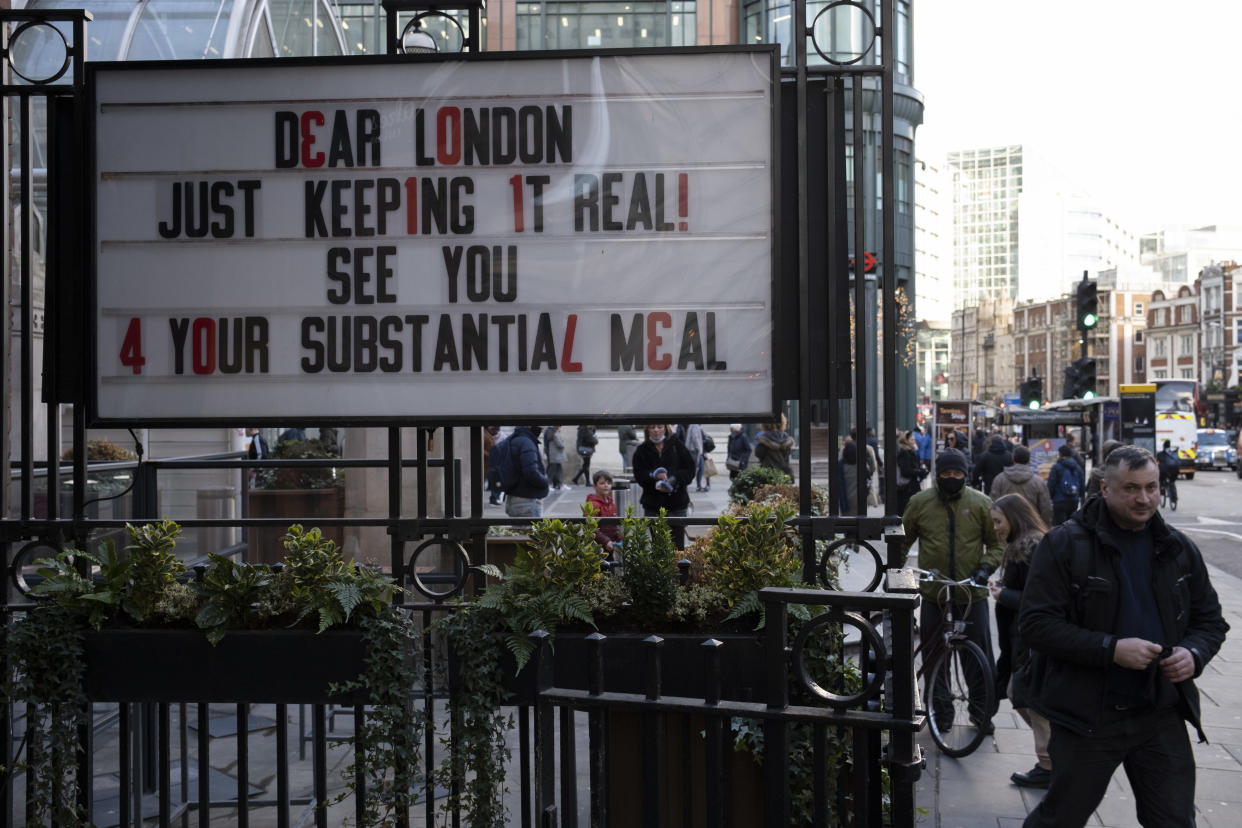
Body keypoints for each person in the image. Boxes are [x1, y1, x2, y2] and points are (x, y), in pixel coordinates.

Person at [1018, 445, 1229, 827]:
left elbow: (1211, 621)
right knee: (1060, 818)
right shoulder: (1065, 545)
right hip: (1088, 716)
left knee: (1174, 820)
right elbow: (1036, 625)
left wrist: (1193, 653)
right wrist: (1111, 649)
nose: (1144, 498)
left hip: (1160, 712)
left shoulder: (1179, 547)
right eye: (1131, 488)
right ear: (1105, 487)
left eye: (1151, 487)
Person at [901, 448, 1002, 732]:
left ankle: (982, 713)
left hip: (972, 594)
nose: (952, 477)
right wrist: (896, 575)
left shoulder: (981, 503)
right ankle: (941, 712)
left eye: (958, 473)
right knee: (935, 659)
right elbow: (902, 541)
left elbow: (997, 544)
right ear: (938, 473)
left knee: (978, 659)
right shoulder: (920, 502)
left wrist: (985, 568)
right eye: (946, 473)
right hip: (935, 594)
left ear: (966, 475)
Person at [988, 493, 1052, 789]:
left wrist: (1005, 595)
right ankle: (1052, 759)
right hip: (1023, 637)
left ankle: (1051, 763)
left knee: (1027, 696)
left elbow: (1039, 598)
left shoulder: (1032, 546)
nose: (996, 528)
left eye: (998, 521)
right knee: (1023, 694)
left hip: (1032, 639)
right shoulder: (1023, 545)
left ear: (1014, 517)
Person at [631, 424, 696, 549]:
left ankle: (678, 569)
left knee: (677, 547)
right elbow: (639, 474)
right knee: (659, 547)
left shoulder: (677, 445)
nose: (656, 430)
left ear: (666, 428)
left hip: (677, 504)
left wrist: (674, 480)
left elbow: (690, 470)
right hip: (653, 506)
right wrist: (654, 478)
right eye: (652, 427)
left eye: (659, 427)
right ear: (647, 429)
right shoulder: (642, 450)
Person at [990, 445, 1053, 526]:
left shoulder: (999, 479)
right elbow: (1046, 508)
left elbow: (993, 503)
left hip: (1006, 526)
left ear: (1013, 459)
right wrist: (1044, 527)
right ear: (1029, 460)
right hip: (1032, 526)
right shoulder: (1039, 482)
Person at [503, 426, 551, 518]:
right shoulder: (527, 442)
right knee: (529, 531)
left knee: (520, 531)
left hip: (514, 498)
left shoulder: (515, 439)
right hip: (527, 500)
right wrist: (545, 482)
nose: (542, 428)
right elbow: (531, 472)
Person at [585, 470, 622, 558]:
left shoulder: (611, 503)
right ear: (594, 486)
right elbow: (591, 528)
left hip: (610, 545)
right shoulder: (592, 504)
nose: (606, 485)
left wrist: (618, 536)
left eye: (608, 483)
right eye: (602, 483)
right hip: (597, 547)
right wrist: (606, 541)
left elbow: (613, 525)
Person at [1046, 444, 1085, 525]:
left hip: (1059, 501)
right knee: (1071, 526)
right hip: (1074, 501)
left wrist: (1051, 497)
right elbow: (1082, 485)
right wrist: (1078, 496)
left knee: (1060, 527)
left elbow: (1051, 485)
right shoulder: (1077, 467)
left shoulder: (1056, 467)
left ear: (1060, 454)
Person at [893, 430, 924, 517]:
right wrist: (919, 472)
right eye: (911, 440)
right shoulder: (904, 452)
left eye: (914, 439)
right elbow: (906, 471)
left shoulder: (910, 451)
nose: (914, 441)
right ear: (906, 440)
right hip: (907, 488)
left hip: (910, 486)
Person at [838, 440, 867, 514]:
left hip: (846, 499)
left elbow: (840, 485)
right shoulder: (861, 463)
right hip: (859, 498)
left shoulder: (841, 465)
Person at [483, 425, 505, 505]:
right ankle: (494, 497)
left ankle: (494, 497)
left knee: (494, 480)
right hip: (488, 463)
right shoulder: (485, 435)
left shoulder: (487, 434)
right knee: (494, 480)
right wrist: (490, 455)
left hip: (491, 463)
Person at [1157, 439, 1181, 509]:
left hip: (1164, 472)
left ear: (1163, 446)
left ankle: (1162, 490)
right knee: (1172, 482)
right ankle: (1174, 498)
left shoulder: (1160, 454)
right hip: (1175, 471)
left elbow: (1156, 462)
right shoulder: (1174, 453)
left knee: (1161, 480)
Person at [544, 426, 567, 491]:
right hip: (555, 454)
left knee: (557, 469)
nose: (560, 428)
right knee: (552, 470)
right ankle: (549, 485)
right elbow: (560, 444)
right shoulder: (554, 434)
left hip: (554, 454)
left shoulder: (550, 432)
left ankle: (559, 484)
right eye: (559, 427)